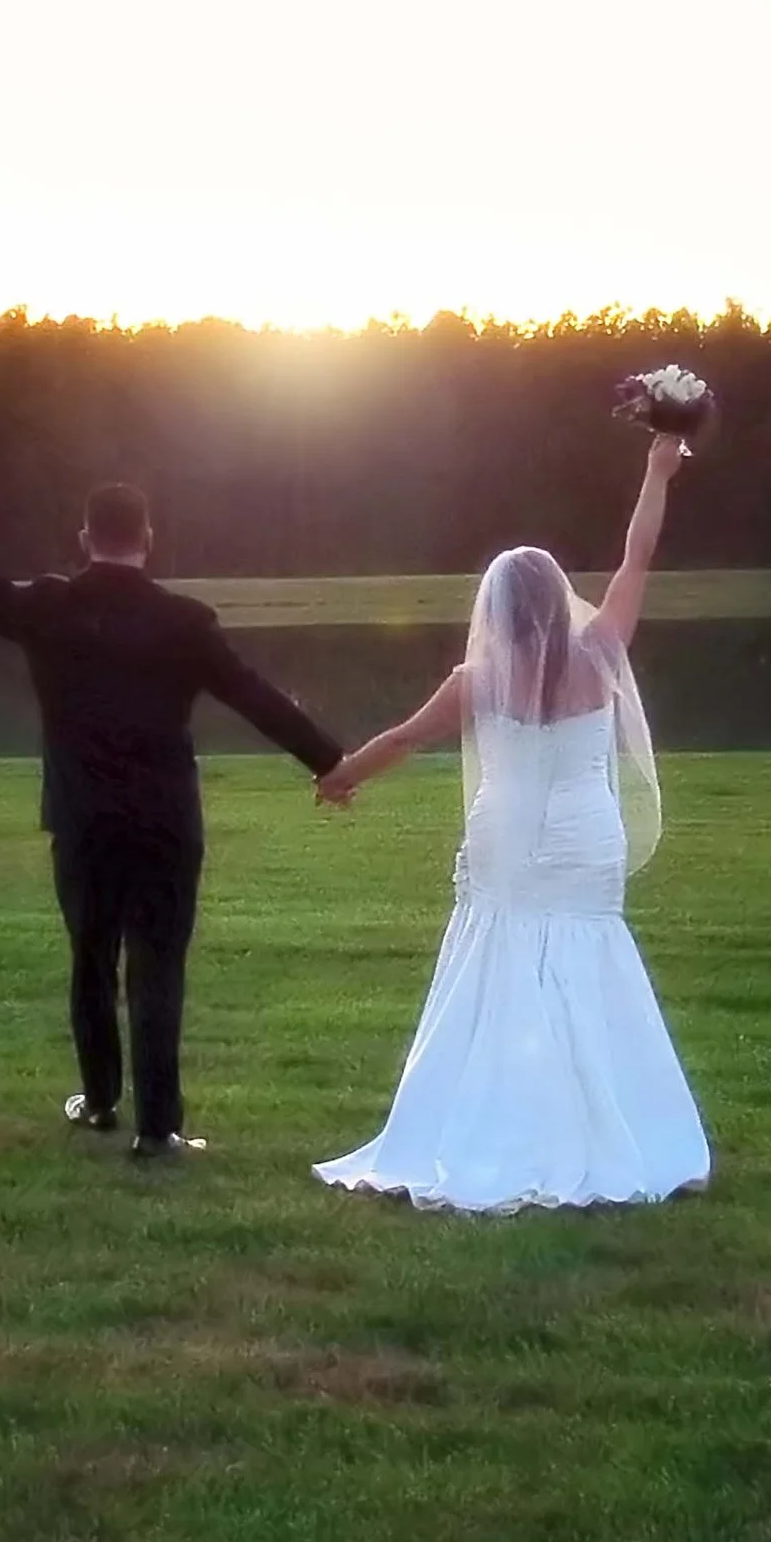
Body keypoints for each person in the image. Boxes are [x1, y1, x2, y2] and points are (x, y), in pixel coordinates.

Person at [0, 445, 343, 1158]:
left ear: (84, 541)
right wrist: (330, 762)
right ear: (148, 540)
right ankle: (159, 1130)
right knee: (158, 969)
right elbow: (256, 698)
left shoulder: (48, 607)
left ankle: (101, 1103)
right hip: (166, 824)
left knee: (91, 960)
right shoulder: (185, 622)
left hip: (82, 822)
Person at [311, 434, 709, 1212]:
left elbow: (403, 738)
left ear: (494, 611)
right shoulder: (599, 656)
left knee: (498, 968)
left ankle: (497, 1119)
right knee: (590, 966)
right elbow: (637, 556)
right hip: (588, 839)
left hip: (508, 842)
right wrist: (657, 470)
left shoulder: (478, 680)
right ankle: (612, 1125)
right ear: (559, 600)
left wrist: (340, 777)